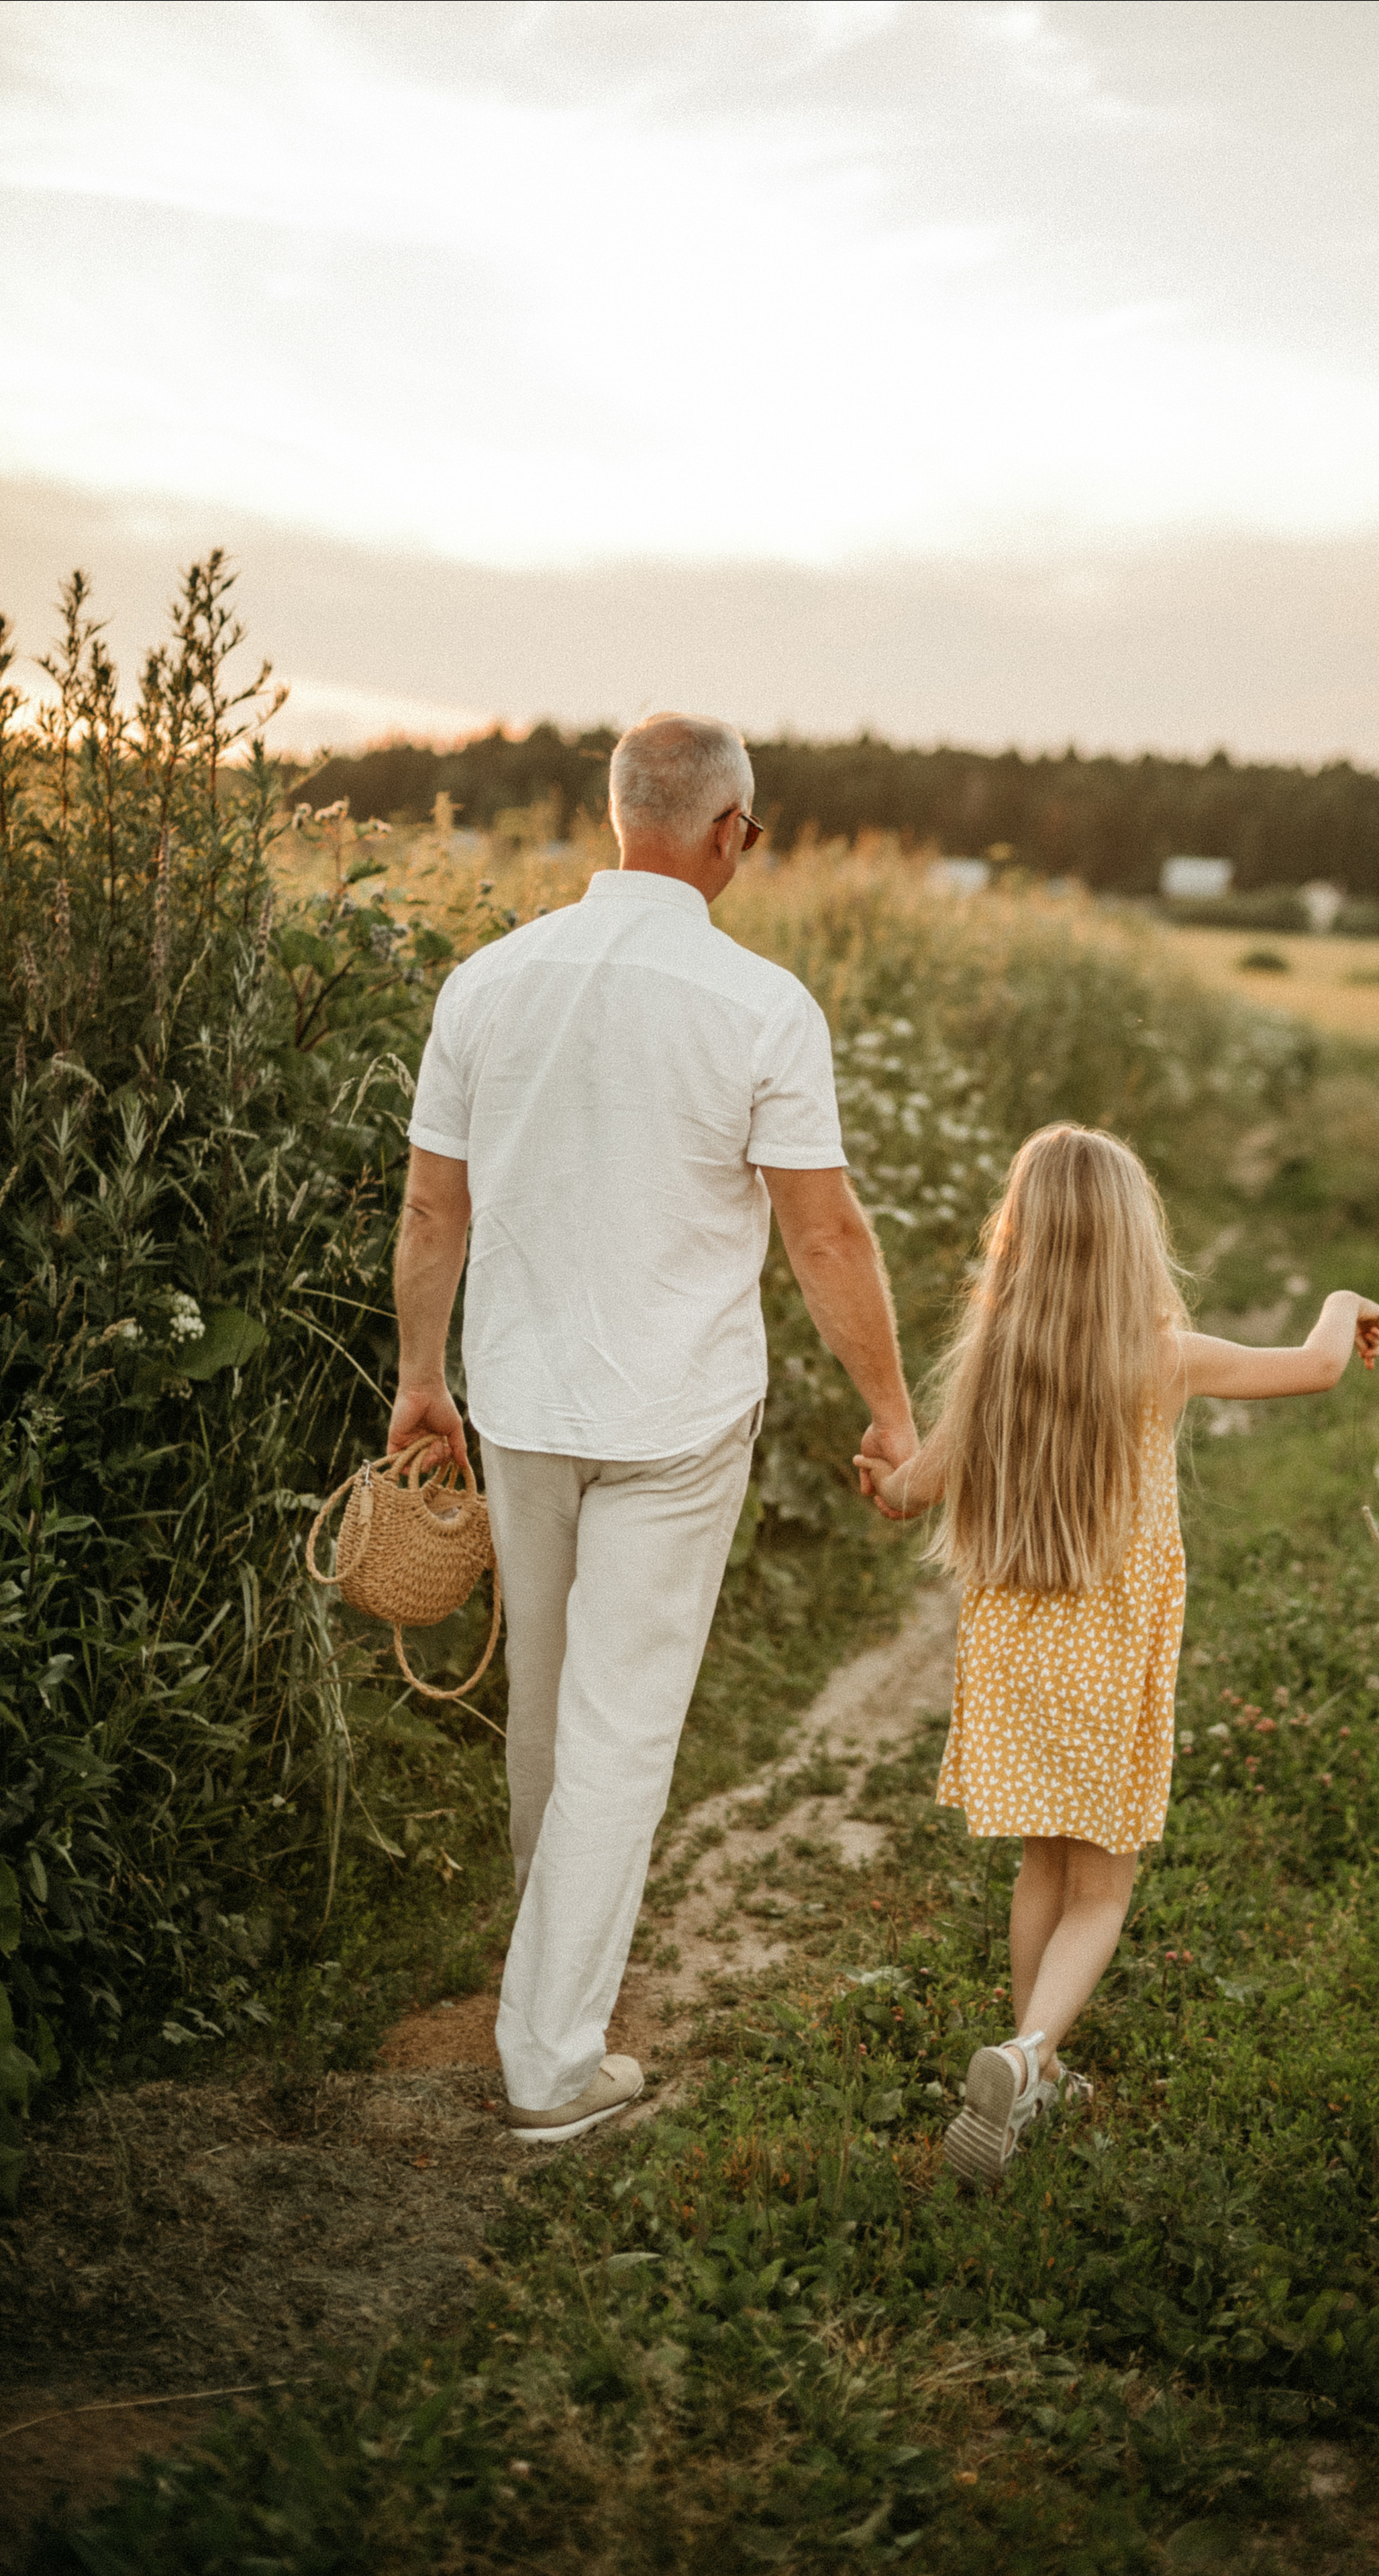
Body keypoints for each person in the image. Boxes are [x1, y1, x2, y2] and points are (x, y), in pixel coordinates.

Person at [391, 713, 917, 2143]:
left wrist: (418, 1379)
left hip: (524, 1405)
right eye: (751, 830)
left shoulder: (487, 985)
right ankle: (553, 2062)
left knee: (548, 1719)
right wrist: (891, 1416)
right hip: (675, 1417)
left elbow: (436, 1206)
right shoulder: (760, 1006)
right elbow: (822, 1237)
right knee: (618, 1736)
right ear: (725, 830)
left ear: (617, 815)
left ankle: (540, 1988)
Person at [856, 1123, 1379, 2188]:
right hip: (1110, 1663)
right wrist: (1346, 1301)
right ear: (1134, 1241)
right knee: (1101, 1890)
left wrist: (876, 1463)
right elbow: (1320, 1366)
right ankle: (1026, 2055)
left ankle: (1027, 2084)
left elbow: (908, 1489)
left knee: (1041, 1867)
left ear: (1022, 1241)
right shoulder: (1165, 1357)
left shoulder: (995, 1365)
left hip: (1015, 1656)